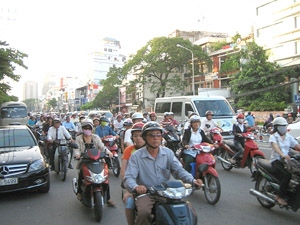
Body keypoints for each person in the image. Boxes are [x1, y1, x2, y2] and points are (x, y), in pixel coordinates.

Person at [124, 122, 203, 225]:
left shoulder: (168, 153)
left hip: (166, 192)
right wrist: (136, 187)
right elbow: (129, 177)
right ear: (145, 137)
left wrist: (193, 181)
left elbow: (179, 170)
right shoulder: (136, 156)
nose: (155, 138)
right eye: (152, 135)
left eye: (158, 134)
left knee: (186, 210)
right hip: (146, 194)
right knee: (144, 213)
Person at [74, 119, 115, 206]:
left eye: (89, 128)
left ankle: (108, 199)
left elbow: (102, 147)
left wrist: (108, 152)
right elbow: (76, 149)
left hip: (97, 160)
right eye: (85, 128)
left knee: (105, 178)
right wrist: (77, 154)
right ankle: (79, 193)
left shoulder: (95, 137)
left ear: (91, 128)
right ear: (82, 129)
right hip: (84, 161)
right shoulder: (79, 138)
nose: (87, 129)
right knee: (81, 175)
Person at [269, 117, 300, 205]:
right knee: (287, 176)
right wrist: (282, 155)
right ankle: (279, 196)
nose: (283, 128)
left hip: (287, 161)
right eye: (281, 126)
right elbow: (275, 147)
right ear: (276, 127)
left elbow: (296, 145)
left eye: (284, 126)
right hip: (277, 161)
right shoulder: (273, 137)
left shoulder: (288, 137)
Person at [121, 122, 145, 225]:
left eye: (141, 136)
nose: (138, 138)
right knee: (129, 202)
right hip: (133, 185)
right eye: (135, 136)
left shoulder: (154, 149)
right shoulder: (129, 150)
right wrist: (129, 189)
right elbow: (123, 170)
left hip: (153, 185)